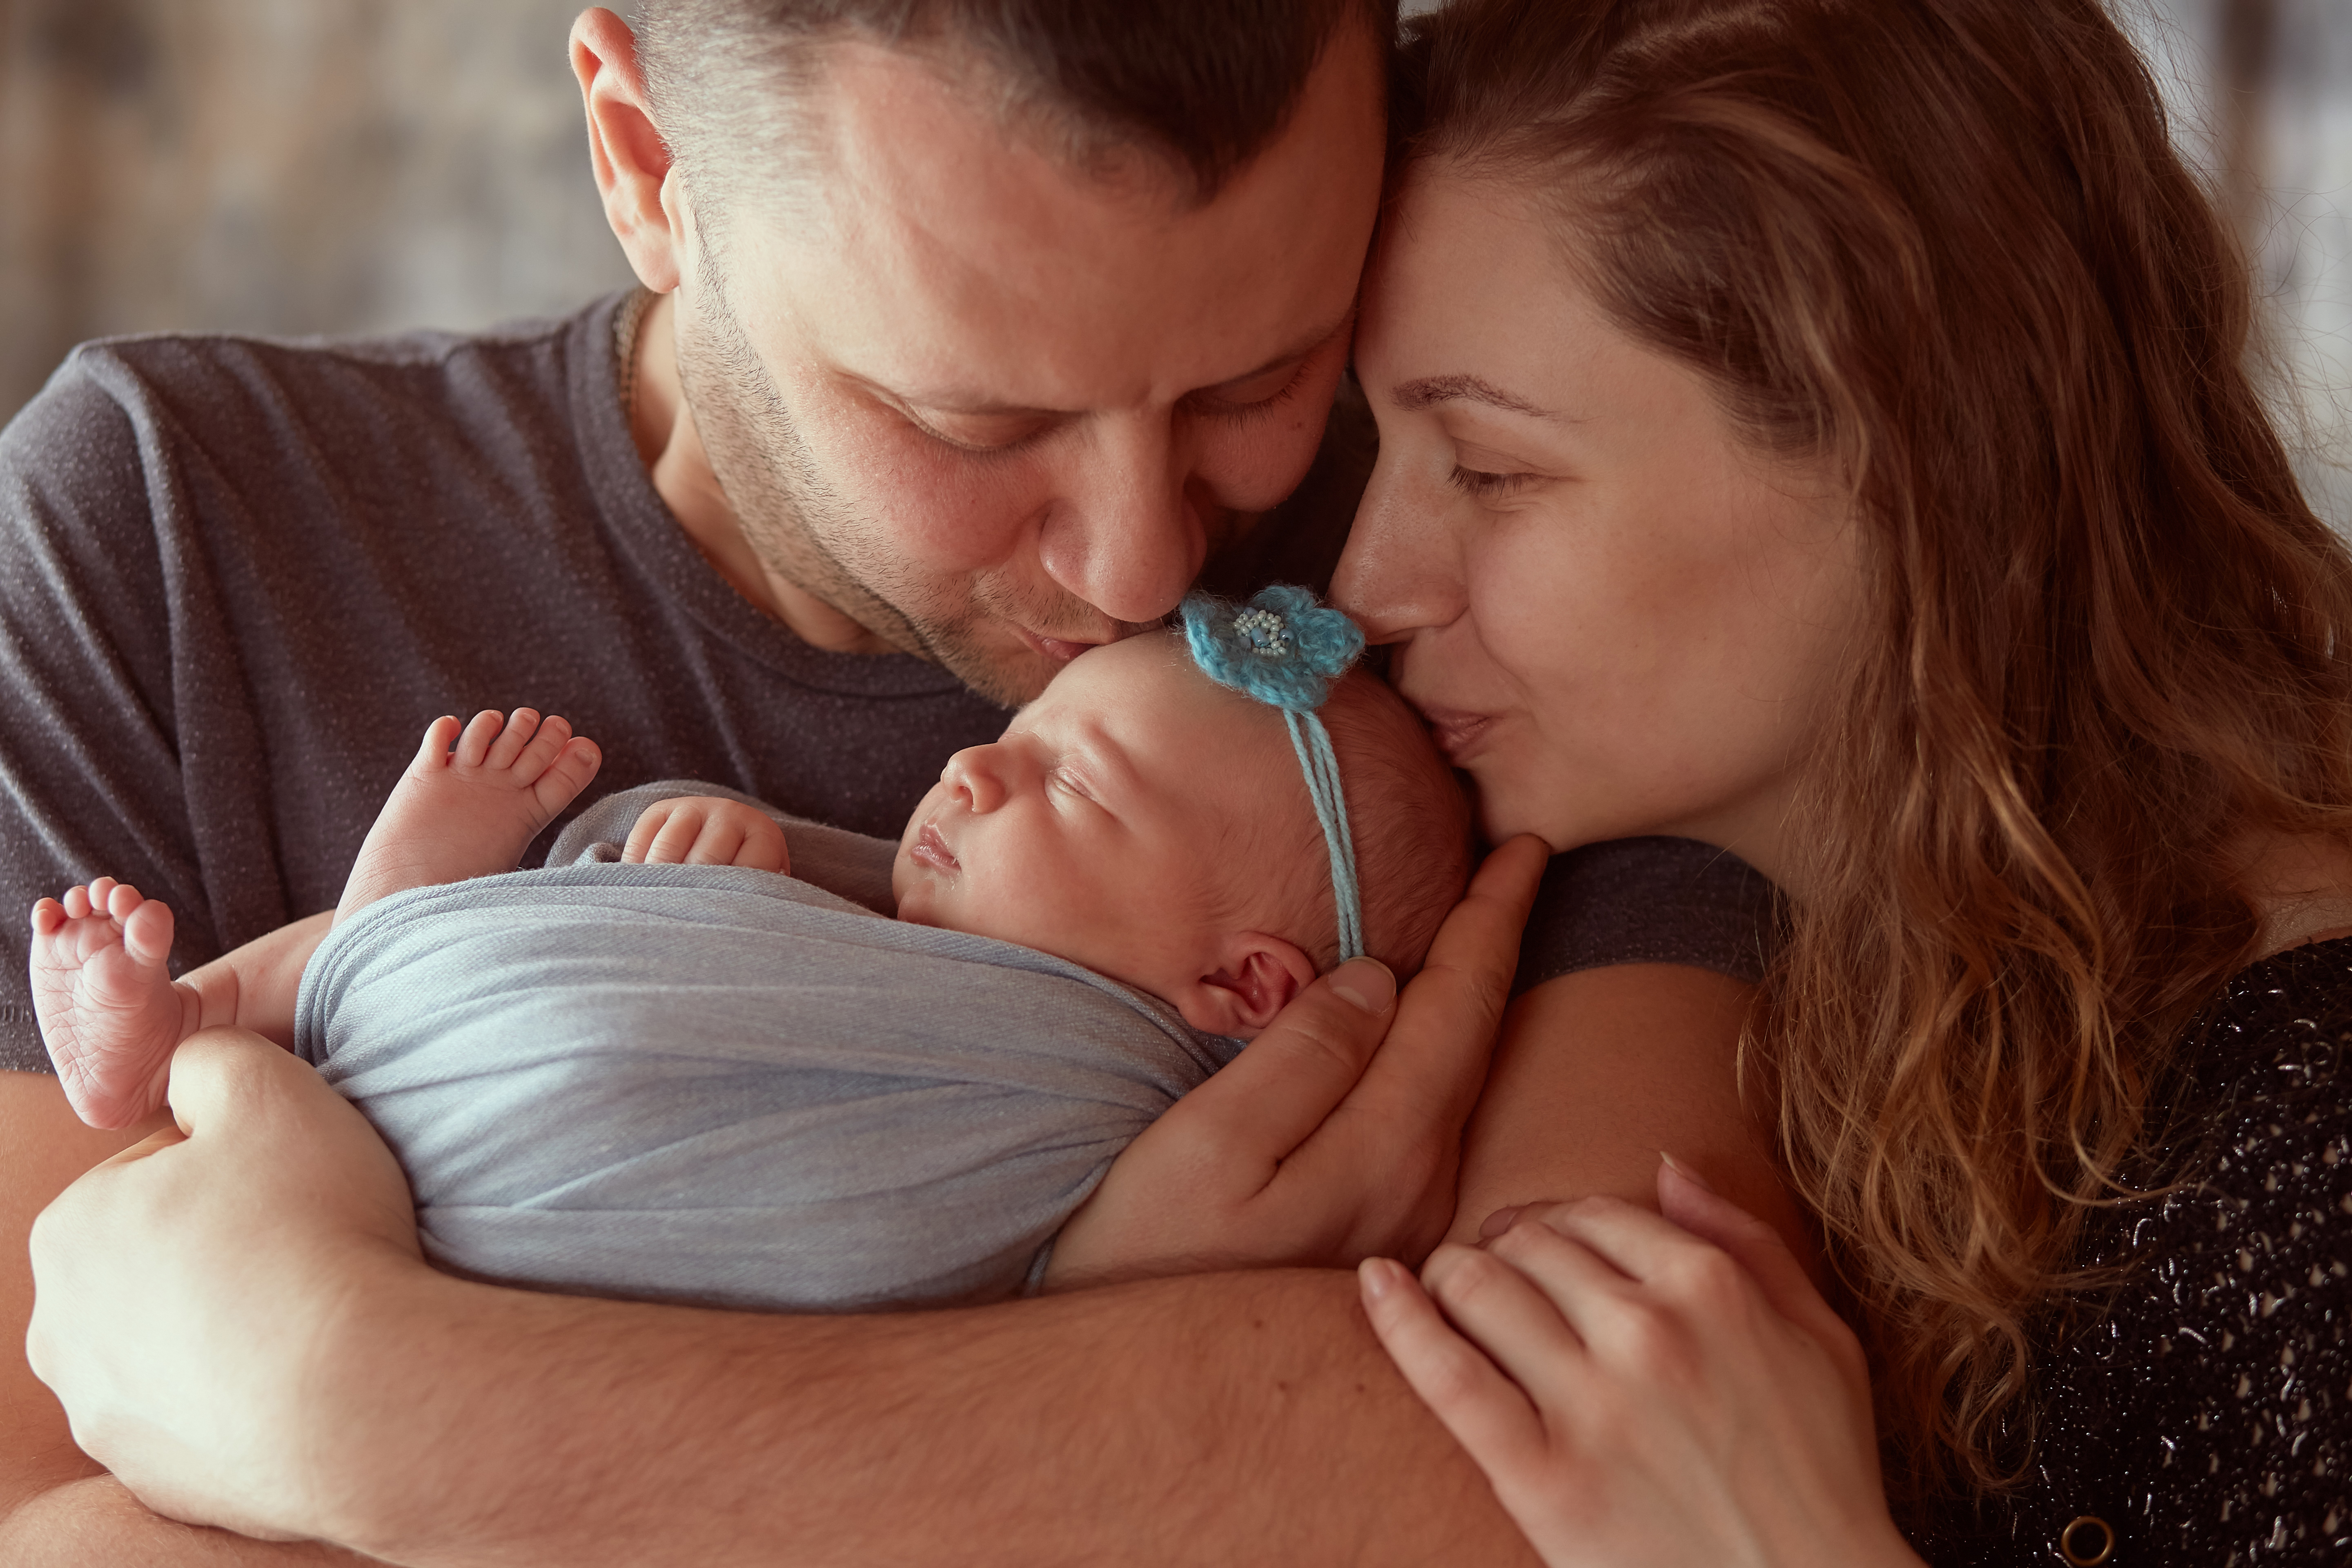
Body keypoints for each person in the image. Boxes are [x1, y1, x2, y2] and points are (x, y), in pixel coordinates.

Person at [6, 3, 1802, 1561]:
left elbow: (1578, 1503)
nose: (1141, 569)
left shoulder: (1453, 592)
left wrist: (379, 1406)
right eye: (977, 426)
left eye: (1261, 376)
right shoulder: (164, 530)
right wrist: (1167, 1406)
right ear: (646, 168)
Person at [1325, 1, 2352, 1564]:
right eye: (1369, 455)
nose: (1365, 580)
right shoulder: (1812, 982)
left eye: (1490, 468)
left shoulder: (2311, 1144)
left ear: (1910, 454)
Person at [33, 603, 1473, 1310]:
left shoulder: (1127, 1115)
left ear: (1246, 991)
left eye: (1076, 787)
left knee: (400, 975)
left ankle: (332, 962)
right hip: (450, 1042)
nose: (972, 767)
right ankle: (194, 1016)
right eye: (1017, 735)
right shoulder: (886, 911)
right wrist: (716, 858)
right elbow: (760, 952)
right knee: (393, 955)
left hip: (521, 1237)